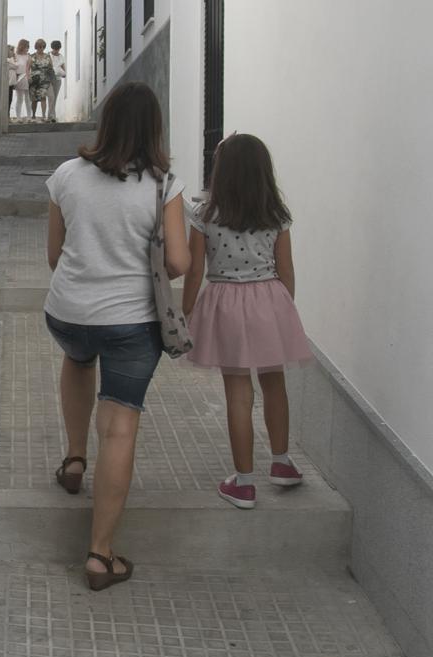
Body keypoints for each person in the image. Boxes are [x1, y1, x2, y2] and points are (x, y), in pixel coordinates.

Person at [43, 82, 190, 591]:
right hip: (131, 322)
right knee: (120, 427)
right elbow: (177, 262)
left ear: (106, 123)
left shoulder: (66, 175)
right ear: (154, 129)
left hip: (68, 312)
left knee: (78, 359)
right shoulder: (164, 185)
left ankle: (74, 459)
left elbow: (54, 255)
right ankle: (100, 555)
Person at [181, 134, 313, 509]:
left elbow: (194, 271)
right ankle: (282, 463)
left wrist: (186, 312)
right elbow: (287, 271)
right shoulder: (276, 215)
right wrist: (282, 310)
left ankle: (243, 483)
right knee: (275, 384)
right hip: (269, 302)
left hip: (225, 304)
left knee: (238, 394)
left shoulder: (204, 215)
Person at [29, 39, 56, 121]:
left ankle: (44, 115)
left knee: (44, 97)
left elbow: (51, 67)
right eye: (39, 47)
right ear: (36, 47)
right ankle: (33, 115)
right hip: (35, 80)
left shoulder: (47, 56)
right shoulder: (32, 56)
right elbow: (28, 68)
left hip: (45, 80)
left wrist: (52, 79)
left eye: (43, 47)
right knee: (34, 99)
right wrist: (28, 77)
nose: (41, 49)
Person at [12, 39, 32, 120]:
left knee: (28, 98)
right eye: (26, 47)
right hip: (18, 78)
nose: (27, 49)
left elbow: (28, 69)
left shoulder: (28, 57)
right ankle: (18, 117)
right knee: (19, 98)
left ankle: (29, 116)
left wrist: (28, 78)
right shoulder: (15, 55)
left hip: (25, 77)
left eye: (28, 47)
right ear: (22, 46)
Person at [50, 40, 67, 122]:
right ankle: (50, 115)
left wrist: (64, 73)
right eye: (55, 49)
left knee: (54, 97)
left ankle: (52, 115)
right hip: (49, 79)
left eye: (58, 49)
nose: (56, 51)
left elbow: (63, 67)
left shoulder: (61, 57)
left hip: (57, 79)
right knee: (51, 96)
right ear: (52, 48)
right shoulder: (48, 56)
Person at [7, 45, 21, 118]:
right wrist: (14, 58)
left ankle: (8, 114)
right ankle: (7, 115)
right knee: (8, 99)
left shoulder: (11, 60)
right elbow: (16, 66)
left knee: (10, 99)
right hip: (8, 84)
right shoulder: (7, 60)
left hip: (11, 83)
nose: (13, 52)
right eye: (12, 50)